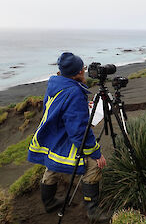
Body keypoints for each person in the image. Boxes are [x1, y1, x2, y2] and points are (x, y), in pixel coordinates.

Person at [28, 52, 111, 223]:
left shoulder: (55, 83)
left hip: (50, 137)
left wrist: (81, 107)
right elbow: (79, 133)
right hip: (64, 139)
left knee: (50, 164)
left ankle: (49, 202)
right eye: (84, 69)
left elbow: (58, 108)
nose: (85, 71)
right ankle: (92, 210)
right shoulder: (74, 92)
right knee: (94, 165)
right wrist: (96, 154)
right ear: (78, 72)